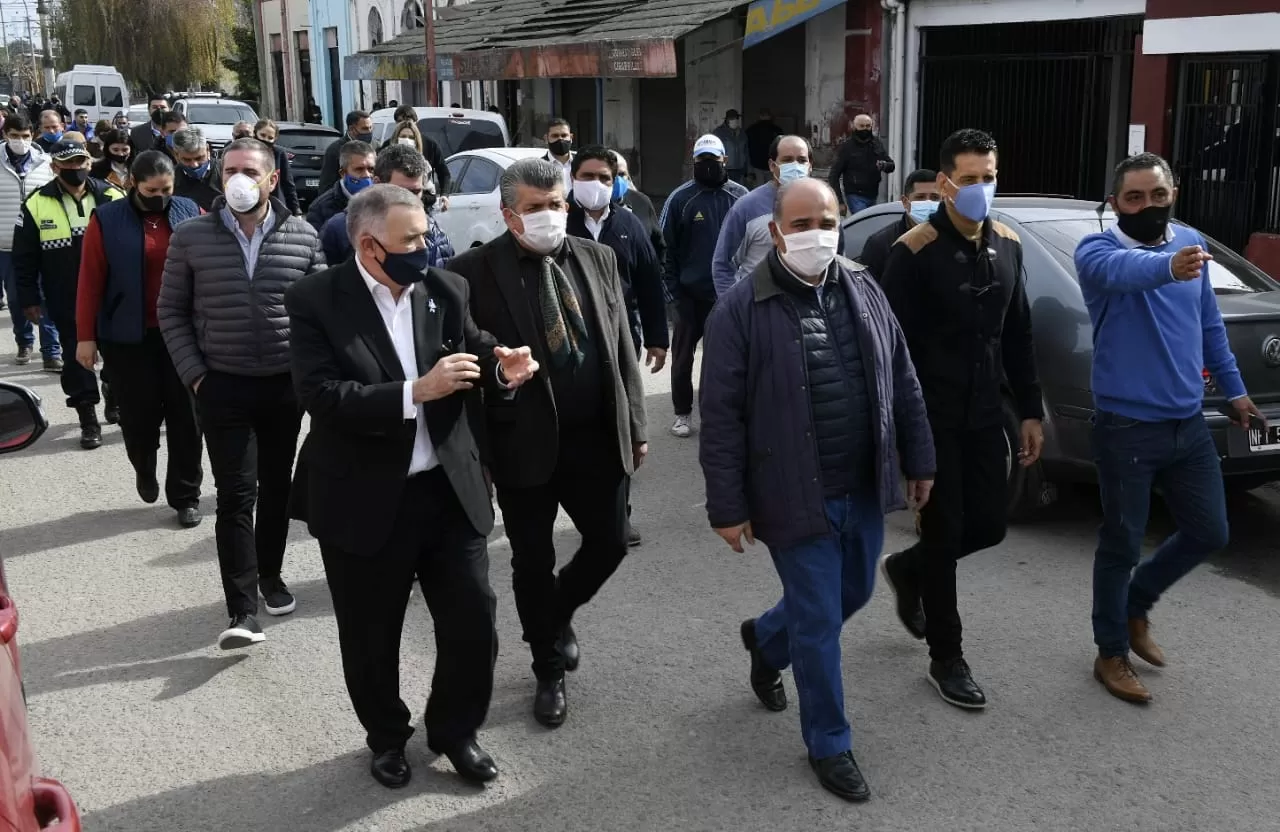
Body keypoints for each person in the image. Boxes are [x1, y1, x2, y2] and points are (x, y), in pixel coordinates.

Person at [287, 183, 538, 789]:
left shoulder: (445, 288)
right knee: (372, 637)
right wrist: (413, 392)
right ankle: (386, 737)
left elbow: (472, 349)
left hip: (446, 491)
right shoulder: (316, 300)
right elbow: (319, 395)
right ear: (371, 247)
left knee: (474, 623)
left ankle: (455, 732)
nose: (427, 246)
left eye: (426, 233)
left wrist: (502, 367)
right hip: (364, 498)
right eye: (413, 238)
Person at [700, 177, 934, 803]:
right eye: (800, 224)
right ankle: (829, 742)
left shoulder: (863, 285)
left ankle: (766, 639)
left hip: (861, 485)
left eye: (825, 220)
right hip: (790, 491)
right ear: (775, 232)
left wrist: (920, 459)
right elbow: (720, 417)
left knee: (853, 592)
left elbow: (901, 375)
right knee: (822, 618)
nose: (815, 234)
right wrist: (727, 505)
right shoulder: (740, 310)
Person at [448, 158, 647, 729]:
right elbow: (466, 365)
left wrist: (635, 423)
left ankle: (556, 613)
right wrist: (479, 447)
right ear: (510, 215)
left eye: (557, 204)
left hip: (595, 438)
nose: (551, 216)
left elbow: (620, 347)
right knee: (532, 562)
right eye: (536, 208)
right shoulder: (472, 273)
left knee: (609, 543)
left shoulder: (598, 257)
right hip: (522, 446)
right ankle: (547, 667)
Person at [1074, 152, 1263, 704]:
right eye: (1134, 198)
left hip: (1187, 423)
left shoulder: (1189, 244)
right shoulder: (1098, 250)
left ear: (1173, 193)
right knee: (1121, 542)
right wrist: (1167, 267)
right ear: (1115, 205)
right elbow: (1121, 274)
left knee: (1211, 531)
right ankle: (1110, 652)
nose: (1147, 207)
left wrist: (1235, 392)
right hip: (1127, 426)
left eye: (1157, 195)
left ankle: (1135, 605)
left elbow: (1208, 326)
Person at [878, 128, 1042, 710]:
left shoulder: (1007, 243)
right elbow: (890, 352)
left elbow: (1018, 334)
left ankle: (906, 567)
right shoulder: (913, 252)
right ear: (945, 183)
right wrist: (899, 434)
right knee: (946, 536)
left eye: (989, 177)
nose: (981, 188)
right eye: (970, 179)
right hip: (930, 417)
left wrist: (1030, 411)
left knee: (989, 526)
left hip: (983, 415)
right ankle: (947, 656)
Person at [157, 137, 326, 650]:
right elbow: (171, 312)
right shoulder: (191, 237)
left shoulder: (303, 235)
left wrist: (308, 378)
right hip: (221, 385)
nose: (239, 179)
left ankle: (270, 575)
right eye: (230, 169)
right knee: (235, 495)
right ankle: (242, 610)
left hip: (282, 387)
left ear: (272, 179)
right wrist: (197, 375)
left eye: (250, 170)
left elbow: (320, 317)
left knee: (277, 488)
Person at [75, 150, 204, 528]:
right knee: (139, 417)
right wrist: (86, 337)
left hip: (181, 334)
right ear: (133, 183)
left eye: (167, 188)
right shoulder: (107, 219)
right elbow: (89, 281)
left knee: (187, 419)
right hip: (127, 337)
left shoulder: (188, 211)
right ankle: (144, 465)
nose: (160, 196)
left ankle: (185, 495)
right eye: (152, 189)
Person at [566, 145, 667, 547]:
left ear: (616, 183)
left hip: (620, 338)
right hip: (569, 343)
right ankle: (583, 510)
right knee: (577, 430)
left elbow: (648, 281)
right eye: (588, 177)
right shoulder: (559, 222)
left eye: (604, 179)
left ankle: (618, 516)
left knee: (619, 428)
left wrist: (658, 338)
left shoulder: (628, 223)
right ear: (573, 179)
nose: (596, 185)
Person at [14, 138, 124, 449]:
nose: (76, 169)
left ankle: (114, 398)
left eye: (81, 162)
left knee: (119, 353)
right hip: (66, 298)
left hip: (113, 296)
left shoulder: (112, 195)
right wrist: (29, 298)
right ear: (55, 167)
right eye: (68, 164)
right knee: (77, 359)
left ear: (90, 163)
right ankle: (87, 417)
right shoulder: (36, 203)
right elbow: (24, 257)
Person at [659, 134, 748, 439]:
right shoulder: (680, 199)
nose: (708, 164)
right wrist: (673, 292)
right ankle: (682, 415)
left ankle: (720, 416)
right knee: (683, 360)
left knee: (724, 361)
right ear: (694, 162)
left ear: (725, 160)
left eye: (714, 159)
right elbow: (664, 249)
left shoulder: (740, 197)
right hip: (689, 296)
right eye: (702, 160)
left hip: (729, 296)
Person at [713, 135, 845, 297]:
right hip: (760, 309)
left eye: (801, 160)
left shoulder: (826, 204)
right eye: (788, 160)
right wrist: (732, 309)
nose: (795, 166)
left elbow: (838, 261)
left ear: (810, 166)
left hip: (812, 309)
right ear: (772, 165)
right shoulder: (747, 207)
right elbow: (722, 265)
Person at [320, 144, 452, 268]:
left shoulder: (435, 234)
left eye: (416, 192)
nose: (409, 200)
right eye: (400, 192)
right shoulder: (340, 229)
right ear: (378, 183)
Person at [0, 112, 59, 370]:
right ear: (5, 135)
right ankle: (24, 341)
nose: (20, 141)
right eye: (14, 136)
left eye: (25, 136)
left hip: (42, 243)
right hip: (6, 245)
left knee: (46, 297)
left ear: (32, 135)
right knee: (15, 298)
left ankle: (51, 351)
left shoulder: (46, 163)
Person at [859, 168, 939, 282]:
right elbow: (868, 293)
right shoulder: (881, 244)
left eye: (935, 198)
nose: (928, 203)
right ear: (905, 202)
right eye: (920, 197)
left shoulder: (953, 241)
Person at [828, 114, 895, 215]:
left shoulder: (876, 144)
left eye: (868, 126)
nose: (865, 129)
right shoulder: (847, 147)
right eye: (862, 126)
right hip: (855, 194)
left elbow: (891, 165)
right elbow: (833, 175)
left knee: (869, 223)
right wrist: (840, 201)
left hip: (873, 194)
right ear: (854, 127)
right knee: (864, 222)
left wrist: (884, 165)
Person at [610, 150, 664, 267]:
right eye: (613, 174)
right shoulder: (592, 208)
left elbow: (658, 244)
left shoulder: (642, 202)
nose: (618, 180)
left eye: (622, 174)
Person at [308, 140, 375, 231]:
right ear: (343, 173)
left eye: (371, 169)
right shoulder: (320, 208)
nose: (367, 175)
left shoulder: (383, 201)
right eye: (359, 169)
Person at [391, 107, 450, 194]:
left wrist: (444, 195)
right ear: (396, 123)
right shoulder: (388, 147)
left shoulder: (430, 145)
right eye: (400, 121)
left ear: (416, 122)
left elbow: (443, 173)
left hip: (424, 199)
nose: (405, 124)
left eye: (409, 121)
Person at [253, 119, 301, 215]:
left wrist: (296, 209)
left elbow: (288, 182)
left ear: (275, 139)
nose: (265, 140)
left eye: (270, 138)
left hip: (276, 207)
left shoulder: (279, 153)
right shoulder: (247, 152)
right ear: (255, 134)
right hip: (253, 204)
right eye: (262, 135)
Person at [319, 110, 374, 193]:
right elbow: (327, 183)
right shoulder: (336, 150)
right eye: (365, 128)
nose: (369, 132)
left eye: (370, 128)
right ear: (352, 129)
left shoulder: (375, 146)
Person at [170, 127, 223, 211]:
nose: (194, 165)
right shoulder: (170, 179)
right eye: (187, 160)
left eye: (199, 158)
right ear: (176, 155)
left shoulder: (225, 171)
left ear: (207, 149)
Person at [712, 109, 750, 185]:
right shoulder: (719, 132)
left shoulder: (742, 133)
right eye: (732, 119)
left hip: (740, 170)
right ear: (727, 120)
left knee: (739, 194)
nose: (735, 120)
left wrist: (748, 170)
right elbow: (715, 152)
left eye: (736, 118)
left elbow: (746, 152)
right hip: (726, 170)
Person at [746, 108, 783, 183]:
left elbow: (747, 147)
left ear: (760, 116)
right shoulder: (777, 130)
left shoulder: (751, 129)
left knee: (758, 188)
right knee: (771, 188)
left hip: (756, 163)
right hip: (772, 163)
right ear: (769, 116)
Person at [542, 118, 575, 192]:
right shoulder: (539, 167)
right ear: (546, 139)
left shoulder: (582, 163)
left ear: (571, 137)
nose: (560, 139)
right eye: (555, 136)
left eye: (564, 135)